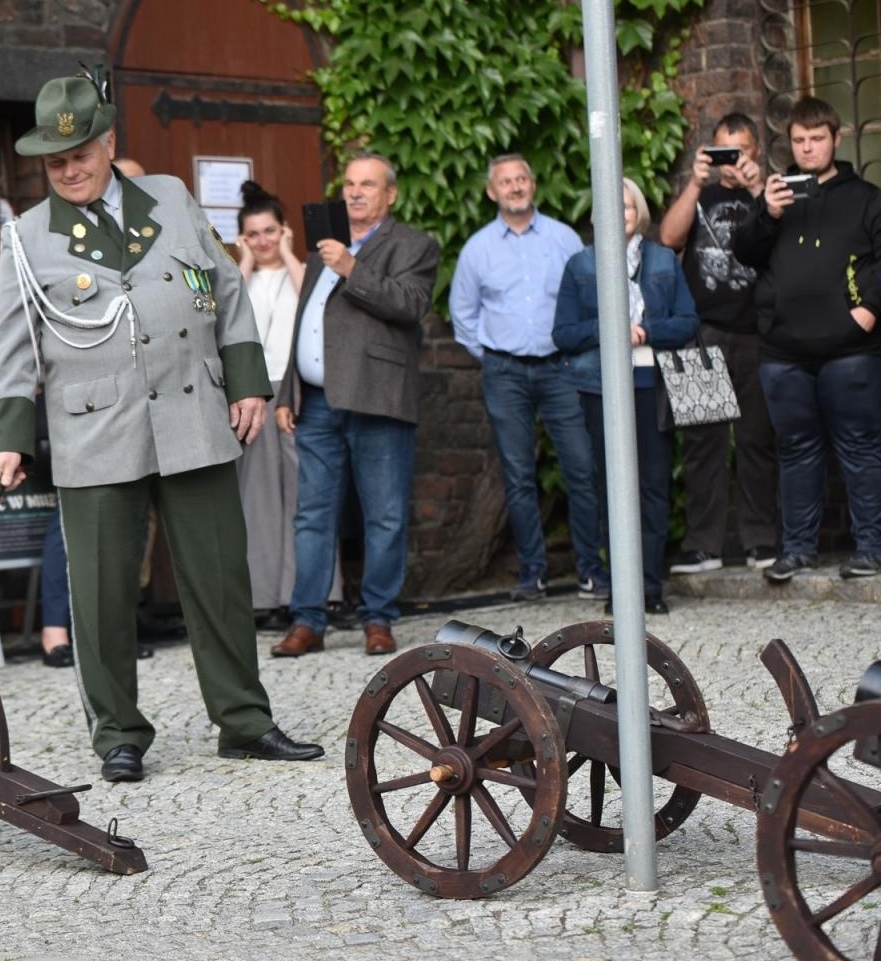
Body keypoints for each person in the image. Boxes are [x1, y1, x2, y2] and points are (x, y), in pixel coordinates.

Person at [0, 74, 322, 781]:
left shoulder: (168, 197)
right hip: (92, 433)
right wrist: (11, 436)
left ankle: (244, 721)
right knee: (104, 593)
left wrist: (250, 382)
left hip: (194, 413)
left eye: (80, 152)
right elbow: (11, 346)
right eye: (55, 160)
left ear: (108, 142)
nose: (70, 169)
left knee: (221, 577)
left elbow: (224, 292)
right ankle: (118, 734)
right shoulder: (26, 239)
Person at [270, 153, 441, 658]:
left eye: (367, 184)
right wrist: (287, 392)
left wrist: (352, 267)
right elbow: (304, 321)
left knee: (384, 516)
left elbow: (409, 305)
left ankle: (378, 617)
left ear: (391, 194)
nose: (355, 192)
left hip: (377, 398)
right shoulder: (325, 244)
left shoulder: (414, 245)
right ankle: (307, 620)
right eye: (348, 184)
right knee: (312, 515)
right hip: (318, 402)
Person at [732, 96, 881, 582]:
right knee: (797, 452)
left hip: (852, 348)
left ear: (836, 139)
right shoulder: (777, 195)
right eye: (799, 141)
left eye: (816, 139)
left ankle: (870, 548)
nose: (807, 148)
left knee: (861, 447)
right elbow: (745, 253)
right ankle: (799, 549)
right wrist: (766, 211)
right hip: (784, 351)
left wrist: (868, 310)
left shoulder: (866, 197)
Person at [449, 154, 608, 602]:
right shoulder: (477, 249)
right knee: (518, 475)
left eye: (522, 178)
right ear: (491, 191)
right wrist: (494, 357)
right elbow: (463, 316)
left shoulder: (564, 239)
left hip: (561, 369)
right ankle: (532, 573)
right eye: (506, 181)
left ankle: (591, 571)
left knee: (580, 467)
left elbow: (587, 301)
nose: (515, 187)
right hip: (504, 372)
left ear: (533, 184)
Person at [553, 179, 698, 614]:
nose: (619, 214)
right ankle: (619, 589)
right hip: (599, 388)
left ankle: (650, 588)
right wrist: (608, 328)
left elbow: (687, 321)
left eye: (627, 206)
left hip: (649, 386)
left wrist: (645, 332)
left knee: (652, 487)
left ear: (639, 212)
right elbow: (562, 334)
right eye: (609, 207)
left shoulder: (662, 261)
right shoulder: (580, 265)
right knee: (610, 488)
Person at [658, 112, 780, 573]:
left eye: (741, 151)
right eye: (724, 151)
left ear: (755, 151)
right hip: (702, 331)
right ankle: (704, 545)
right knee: (702, 443)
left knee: (757, 439)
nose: (733, 162)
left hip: (756, 331)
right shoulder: (702, 193)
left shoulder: (769, 195)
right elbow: (668, 238)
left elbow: (783, 242)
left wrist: (756, 190)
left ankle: (760, 541)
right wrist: (694, 183)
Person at [232, 180, 342, 622]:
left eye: (270, 231)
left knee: (306, 495)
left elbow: (314, 300)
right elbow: (226, 312)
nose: (262, 242)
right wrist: (241, 262)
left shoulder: (302, 267)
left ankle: (317, 592)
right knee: (255, 499)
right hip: (252, 391)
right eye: (253, 234)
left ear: (284, 231)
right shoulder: (239, 275)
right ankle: (263, 597)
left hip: (294, 390)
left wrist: (294, 254)